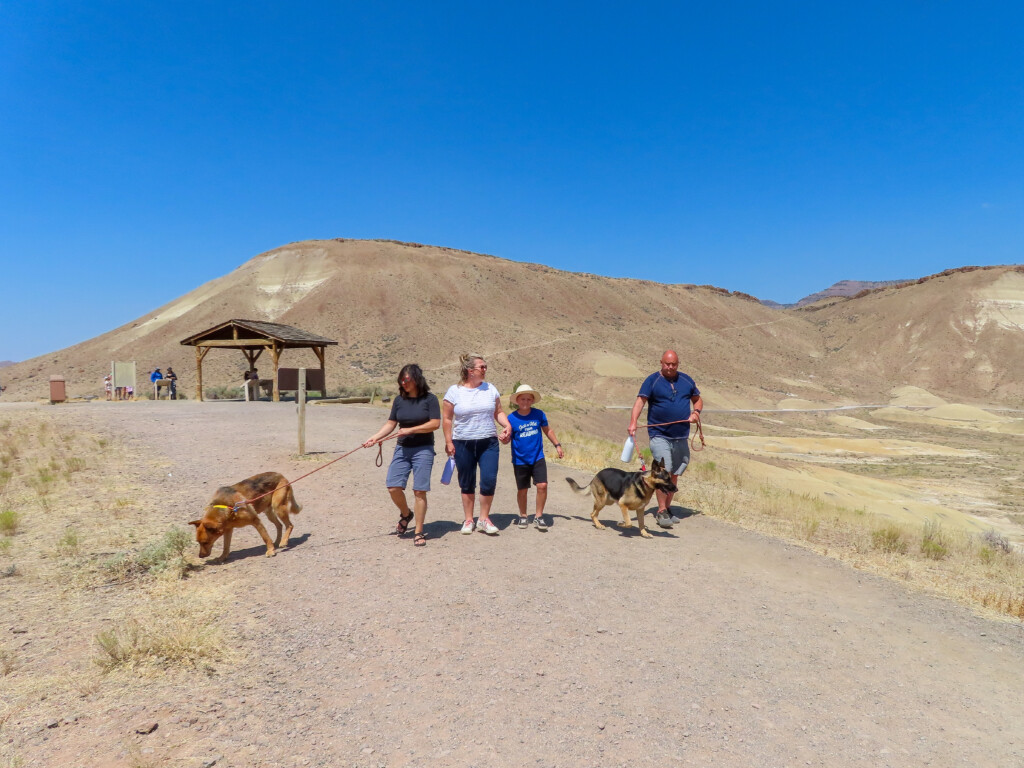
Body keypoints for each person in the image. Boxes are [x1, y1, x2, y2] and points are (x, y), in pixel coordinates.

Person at [362, 364, 441, 547]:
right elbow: (391, 424)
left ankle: (419, 531)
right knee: (393, 486)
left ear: (416, 379)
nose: (403, 383)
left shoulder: (430, 399)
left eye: (406, 380)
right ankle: (406, 514)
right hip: (402, 448)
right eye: (401, 380)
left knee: (419, 491)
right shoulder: (399, 400)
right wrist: (374, 438)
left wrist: (411, 429)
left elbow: (435, 424)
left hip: (424, 449)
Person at [627, 350, 703, 528]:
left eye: (674, 364)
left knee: (675, 473)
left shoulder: (686, 380)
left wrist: (696, 413)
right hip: (659, 434)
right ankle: (661, 511)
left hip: (681, 436)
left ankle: (667, 509)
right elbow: (640, 402)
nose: (670, 367)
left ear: (678, 364)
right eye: (667, 364)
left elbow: (698, 400)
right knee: (664, 471)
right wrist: (633, 422)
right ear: (661, 362)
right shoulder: (652, 380)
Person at [442, 353, 511, 535]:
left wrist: (507, 425)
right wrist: (448, 441)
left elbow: (498, 412)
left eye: (485, 366)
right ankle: (468, 520)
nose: (485, 369)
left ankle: (484, 519)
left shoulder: (490, 389)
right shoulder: (454, 391)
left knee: (488, 479)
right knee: (466, 481)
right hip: (462, 442)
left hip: (488, 442)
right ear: (470, 371)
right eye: (482, 367)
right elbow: (447, 419)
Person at [504, 384, 564, 530]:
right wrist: (504, 438)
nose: (525, 402)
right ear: (517, 400)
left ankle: (538, 516)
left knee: (542, 485)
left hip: (537, 457)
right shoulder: (511, 418)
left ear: (532, 401)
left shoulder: (539, 414)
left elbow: (547, 430)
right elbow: (507, 438)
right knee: (522, 490)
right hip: (520, 459)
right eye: (522, 399)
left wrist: (557, 444)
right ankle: (523, 516)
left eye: (528, 399)